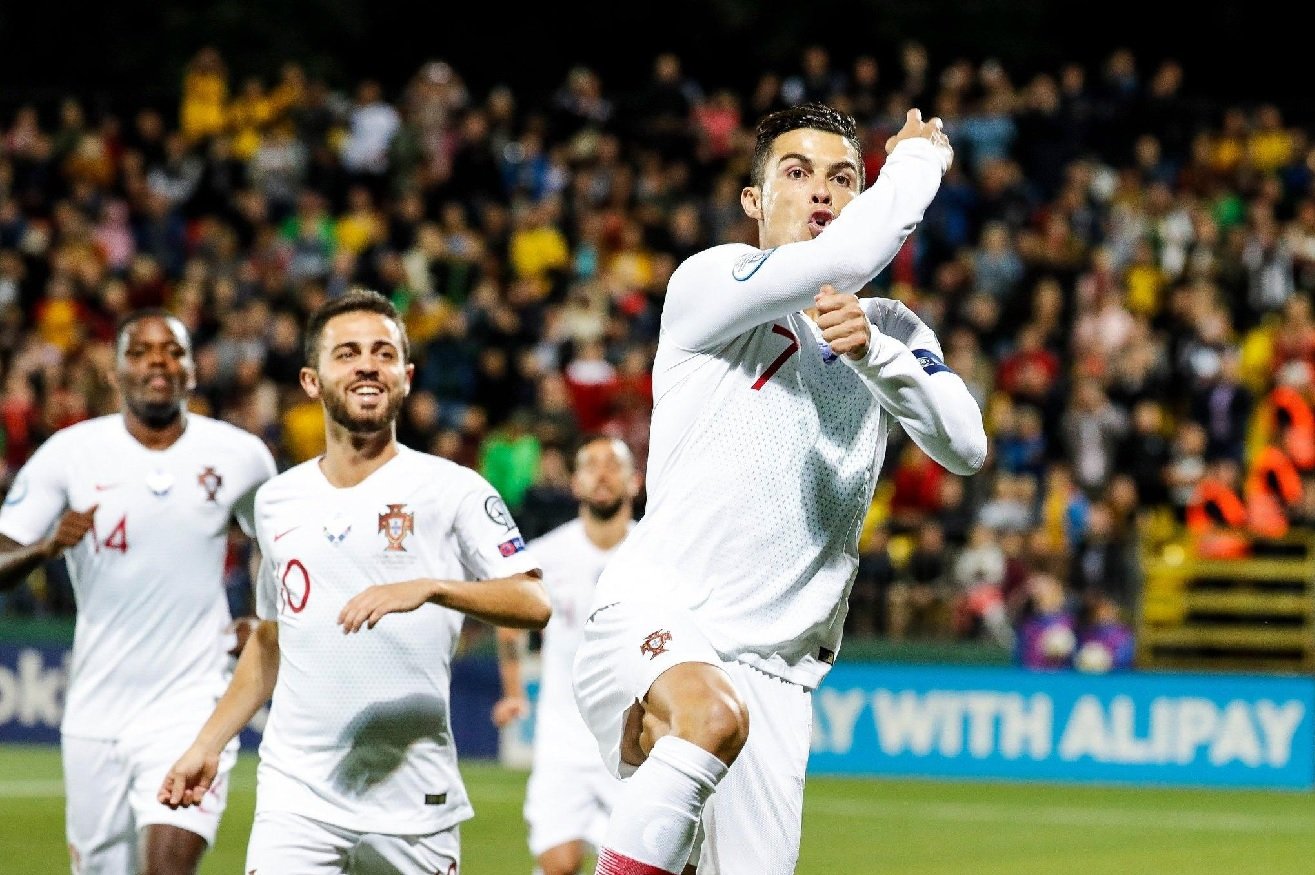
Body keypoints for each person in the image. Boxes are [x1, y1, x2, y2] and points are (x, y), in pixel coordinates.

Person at [570, 102, 985, 875]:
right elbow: (846, 259)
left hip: (781, 671)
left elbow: (964, 444)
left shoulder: (891, 328)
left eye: (842, 179)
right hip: (661, 614)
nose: (820, 193)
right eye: (795, 174)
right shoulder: (710, 284)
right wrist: (920, 161)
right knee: (707, 716)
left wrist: (878, 359)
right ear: (754, 201)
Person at [158, 288, 551, 874]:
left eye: (382, 353)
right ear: (312, 380)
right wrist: (205, 745)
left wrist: (435, 588)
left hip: (416, 803)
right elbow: (271, 640)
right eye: (346, 353)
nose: (367, 363)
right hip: (298, 800)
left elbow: (533, 600)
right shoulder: (276, 502)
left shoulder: (454, 489)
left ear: (406, 376)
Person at [0, 308, 278, 874]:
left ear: (193, 371)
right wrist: (43, 550)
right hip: (97, 710)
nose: (158, 361)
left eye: (173, 350)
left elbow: (280, 547)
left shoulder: (241, 456)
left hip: (194, 703)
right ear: (116, 371)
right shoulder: (71, 453)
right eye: (141, 351)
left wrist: (264, 619)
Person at [492, 435, 642, 875]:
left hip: (635, 742)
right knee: (559, 863)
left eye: (613, 465)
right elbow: (507, 616)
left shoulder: (653, 553)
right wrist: (514, 690)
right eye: (590, 464)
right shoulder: (547, 555)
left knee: (639, 866)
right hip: (563, 739)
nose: (602, 473)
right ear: (574, 483)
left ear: (635, 482)